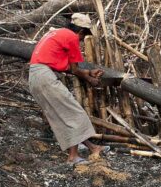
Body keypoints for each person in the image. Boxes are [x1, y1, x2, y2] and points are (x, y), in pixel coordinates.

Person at [28, 13, 108, 165]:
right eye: (83, 37)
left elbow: (69, 68)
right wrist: (90, 78)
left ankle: (93, 147)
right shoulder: (71, 37)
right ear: (81, 32)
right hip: (45, 78)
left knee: (61, 115)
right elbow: (75, 69)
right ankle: (73, 157)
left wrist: (87, 73)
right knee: (74, 114)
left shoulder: (56, 33)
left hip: (35, 77)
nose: (82, 40)